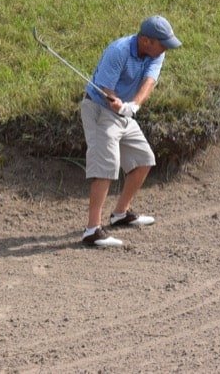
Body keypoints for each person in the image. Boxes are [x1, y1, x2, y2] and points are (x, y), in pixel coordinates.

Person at [78, 15, 181, 248]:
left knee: (144, 159)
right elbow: (106, 89)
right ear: (145, 41)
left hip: (124, 113)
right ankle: (92, 230)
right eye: (162, 44)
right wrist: (116, 102)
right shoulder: (119, 51)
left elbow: (149, 82)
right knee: (106, 165)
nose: (165, 49)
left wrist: (132, 106)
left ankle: (120, 214)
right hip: (99, 110)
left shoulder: (157, 52)